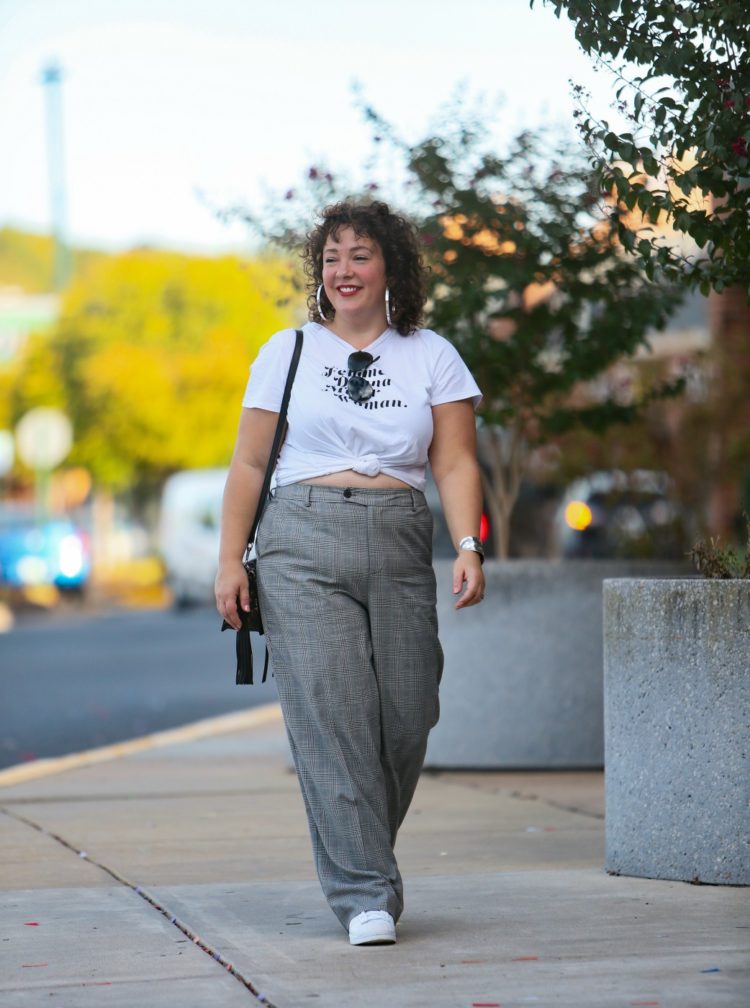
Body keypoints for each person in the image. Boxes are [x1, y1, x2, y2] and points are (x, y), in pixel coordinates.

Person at [215, 200, 485, 947]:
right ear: (319, 273)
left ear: (390, 266)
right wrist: (229, 560)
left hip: (399, 539)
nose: (343, 270)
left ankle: (361, 852)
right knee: (332, 718)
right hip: (300, 538)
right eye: (331, 258)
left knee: (407, 714)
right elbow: (246, 463)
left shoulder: (431, 354)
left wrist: (469, 544)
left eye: (360, 255)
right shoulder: (288, 350)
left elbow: (456, 460)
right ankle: (365, 892)